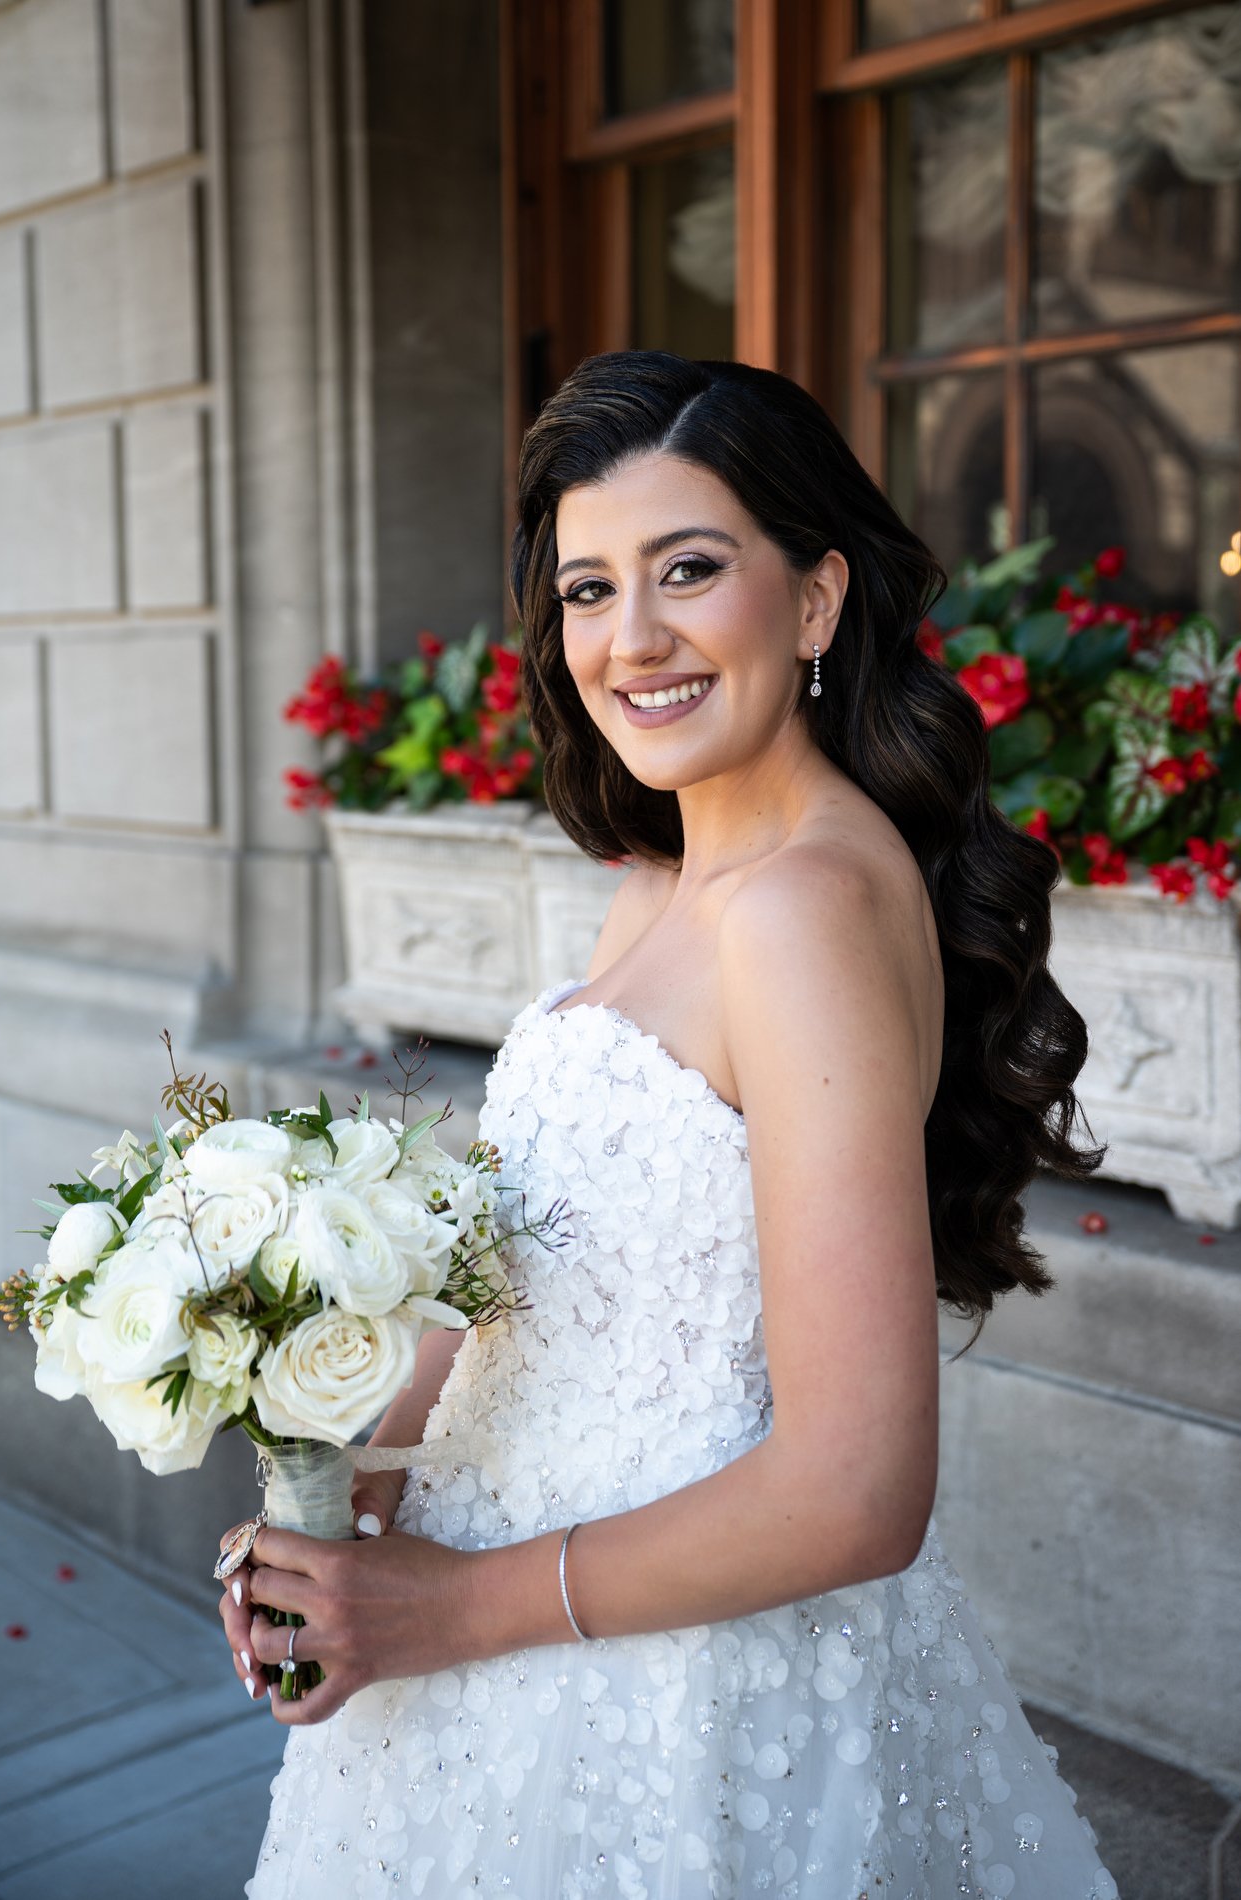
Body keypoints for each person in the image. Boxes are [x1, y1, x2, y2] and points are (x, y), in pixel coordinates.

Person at [221, 350, 1121, 1898]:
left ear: (819, 599)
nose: (629, 640)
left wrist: (448, 1609)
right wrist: (362, 1487)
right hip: (489, 1632)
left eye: (688, 571)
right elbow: (531, 1266)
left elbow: (857, 1488)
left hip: (667, 1696)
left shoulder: (804, 915)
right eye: (586, 590)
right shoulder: (655, 882)